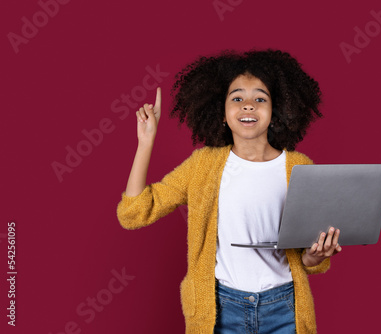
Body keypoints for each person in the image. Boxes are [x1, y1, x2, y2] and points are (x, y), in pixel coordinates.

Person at [117, 49, 342, 333]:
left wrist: (317, 255)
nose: (248, 105)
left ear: (276, 111)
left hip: (284, 309)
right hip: (222, 311)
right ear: (221, 113)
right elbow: (133, 213)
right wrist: (146, 141)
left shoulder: (298, 167)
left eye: (260, 98)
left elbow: (306, 259)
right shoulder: (203, 165)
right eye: (237, 98)